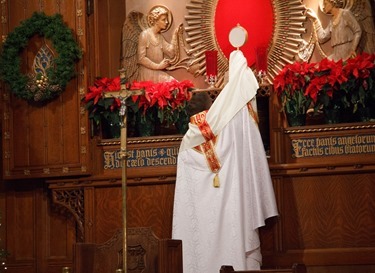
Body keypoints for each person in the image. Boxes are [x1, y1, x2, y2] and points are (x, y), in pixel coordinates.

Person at [172, 50, 278, 273]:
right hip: (232, 211)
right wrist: (238, 76)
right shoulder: (228, 130)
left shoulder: (186, 145)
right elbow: (239, 112)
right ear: (211, 109)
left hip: (201, 224)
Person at [137, 6, 177, 82]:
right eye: (163, 20)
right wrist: (158, 66)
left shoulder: (160, 37)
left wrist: (175, 35)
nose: (167, 22)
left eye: (167, 19)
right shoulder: (144, 35)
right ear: (155, 21)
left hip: (157, 73)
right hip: (148, 74)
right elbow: (141, 58)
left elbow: (171, 52)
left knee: (175, 85)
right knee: (174, 85)